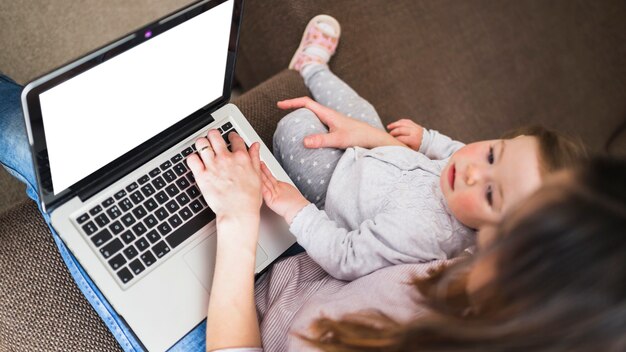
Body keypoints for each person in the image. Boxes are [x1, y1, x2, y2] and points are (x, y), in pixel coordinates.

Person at [189, 124, 625, 351]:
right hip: (278, 276)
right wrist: (381, 146)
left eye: (511, 222)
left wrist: (238, 218)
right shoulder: (474, 267)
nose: (484, 234)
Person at [259, 15, 585, 280]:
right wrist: (427, 139)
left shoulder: (423, 234)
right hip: (377, 150)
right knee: (363, 112)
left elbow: (347, 256)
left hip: (330, 190)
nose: (472, 172)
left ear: (498, 238)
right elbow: (456, 149)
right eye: (491, 154)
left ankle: (309, 88)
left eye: (490, 194)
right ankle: (312, 68)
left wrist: (298, 212)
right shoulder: (467, 170)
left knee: (297, 125)